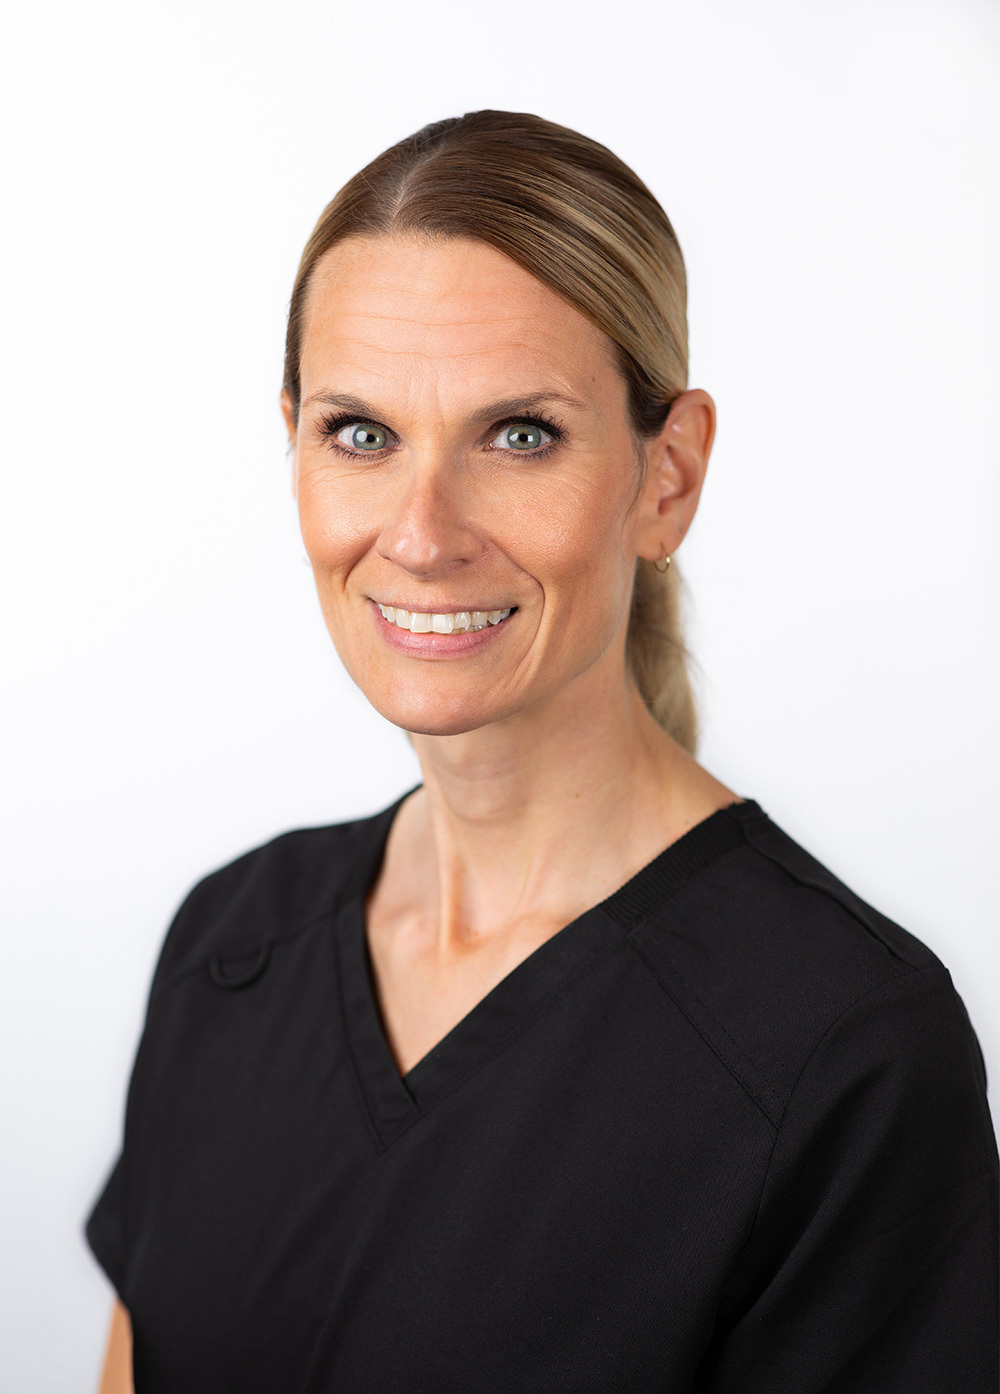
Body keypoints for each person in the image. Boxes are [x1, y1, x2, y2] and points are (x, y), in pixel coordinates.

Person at [87, 110, 998, 1393]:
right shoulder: (233, 945)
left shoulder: (840, 1045)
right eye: (361, 432)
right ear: (290, 438)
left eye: (518, 434)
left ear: (666, 474)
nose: (421, 531)